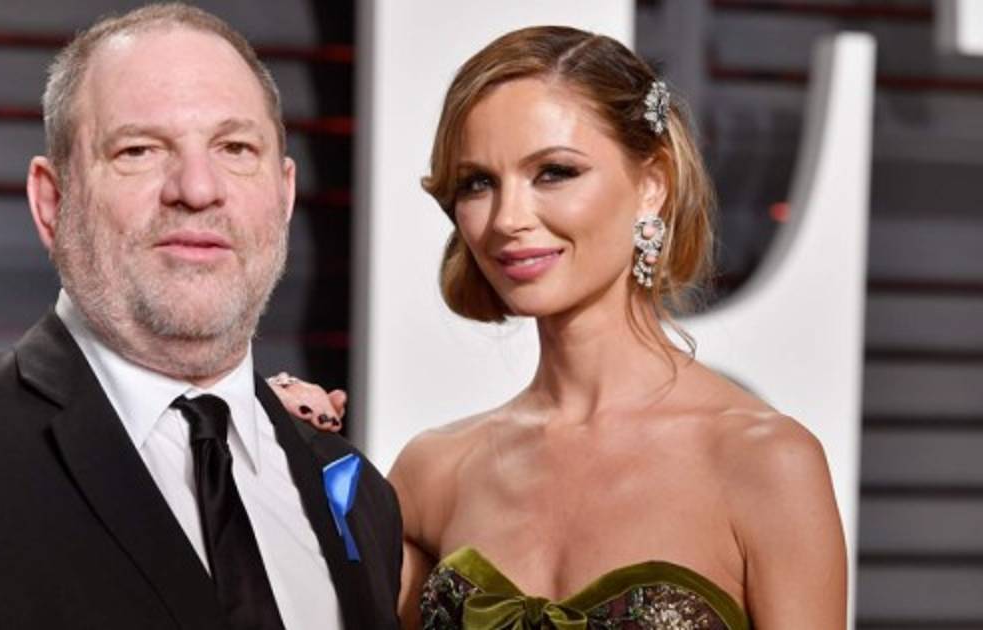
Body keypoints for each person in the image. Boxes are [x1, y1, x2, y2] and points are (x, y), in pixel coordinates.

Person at [275, 25, 847, 629]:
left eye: (554, 172)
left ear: (652, 184)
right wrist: (279, 453)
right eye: (478, 183)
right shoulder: (435, 472)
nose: (508, 219)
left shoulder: (764, 462)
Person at [0, 5, 400, 629]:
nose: (197, 188)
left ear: (285, 192)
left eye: (236, 148)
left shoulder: (359, 497)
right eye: (139, 149)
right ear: (52, 202)